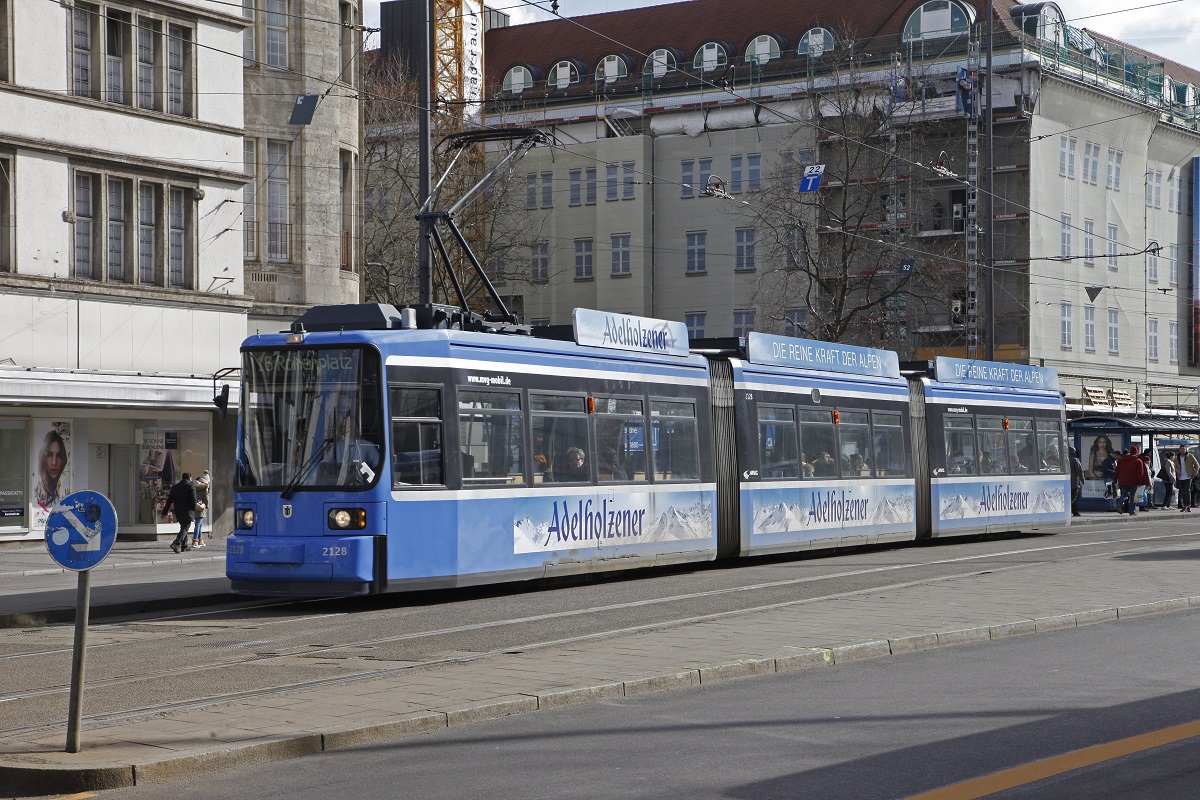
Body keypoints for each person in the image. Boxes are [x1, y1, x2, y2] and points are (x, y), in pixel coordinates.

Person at [161, 472, 197, 553]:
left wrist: (164, 512)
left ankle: (184, 546)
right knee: (185, 527)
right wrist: (193, 509)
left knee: (183, 527)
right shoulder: (191, 486)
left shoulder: (175, 487)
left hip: (178, 511)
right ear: (189, 478)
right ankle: (176, 543)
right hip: (188, 511)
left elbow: (169, 501)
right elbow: (193, 500)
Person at [34, 429, 69, 511]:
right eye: (49, 455)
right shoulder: (35, 491)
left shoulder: (66, 489)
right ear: (43, 458)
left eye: (59, 455)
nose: (54, 462)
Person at [1113, 446, 1149, 516]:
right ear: (1136, 452)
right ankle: (1132, 511)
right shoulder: (1138, 461)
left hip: (1123, 481)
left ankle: (1120, 503)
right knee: (1133, 496)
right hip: (1134, 482)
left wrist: (1114, 479)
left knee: (1124, 494)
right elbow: (1140, 473)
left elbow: (1117, 471)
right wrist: (1140, 483)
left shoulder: (1121, 460)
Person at [192, 469, 211, 548]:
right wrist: (207, 506)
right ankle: (195, 540)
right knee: (198, 524)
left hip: (195, 506)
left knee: (198, 524)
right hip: (201, 506)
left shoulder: (195, 487)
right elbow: (206, 499)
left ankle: (200, 540)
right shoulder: (204, 489)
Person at [1181, 446, 1200, 512]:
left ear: (1186, 449)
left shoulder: (1190, 456)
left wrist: (1194, 474)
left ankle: (1188, 506)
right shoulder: (1177, 457)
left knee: (1187, 491)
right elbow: (1175, 465)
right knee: (1183, 492)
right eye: (1181, 449)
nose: (1182, 450)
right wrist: (1177, 471)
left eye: (1183, 449)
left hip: (1188, 477)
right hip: (1181, 477)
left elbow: (1197, 465)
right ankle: (1184, 506)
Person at [1069, 446, 1084, 517]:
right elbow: (1080, 471)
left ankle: (1074, 511)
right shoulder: (1075, 460)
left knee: (1070, 497)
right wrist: (1082, 480)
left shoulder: (1064, 459)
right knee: (1074, 497)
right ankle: (1071, 510)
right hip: (1074, 482)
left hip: (1066, 483)